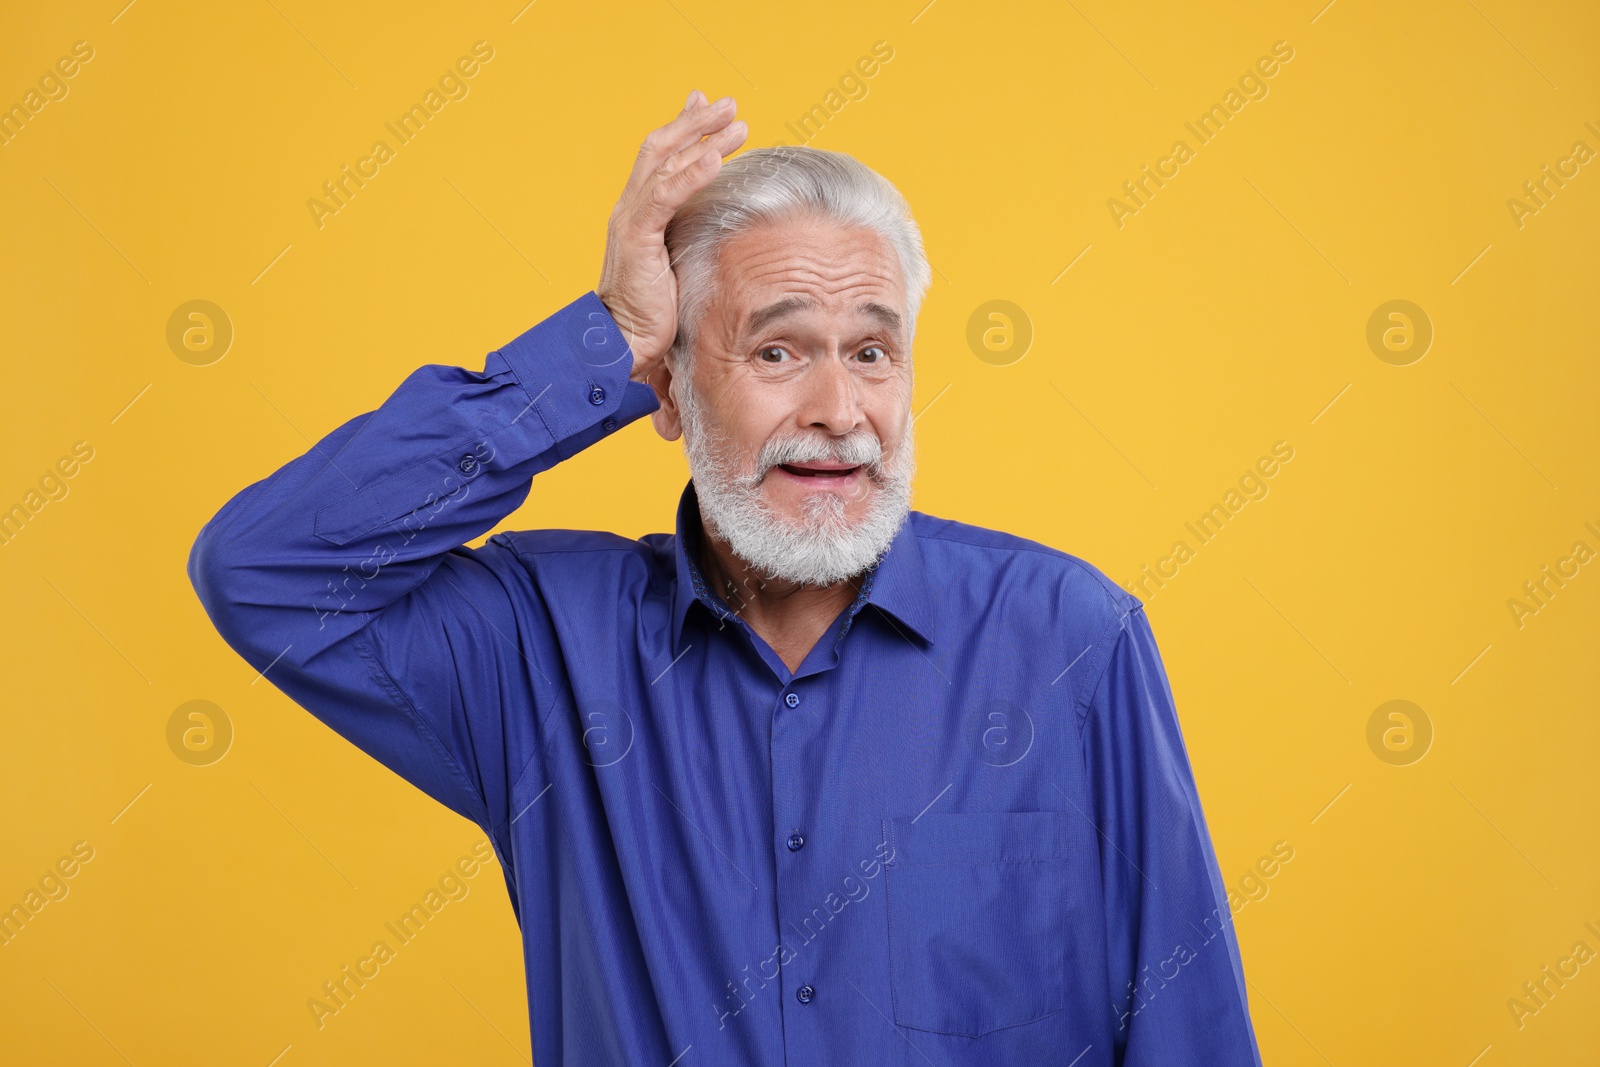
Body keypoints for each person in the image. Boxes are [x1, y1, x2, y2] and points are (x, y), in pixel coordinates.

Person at [189, 90, 1263, 1066]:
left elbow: (1189, 1025)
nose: (839, 411)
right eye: (778, 352)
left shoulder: (1072, 635)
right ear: (664, 392)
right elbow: (267, 569)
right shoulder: (542, 648)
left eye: (874, 353)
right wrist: (598, 342)